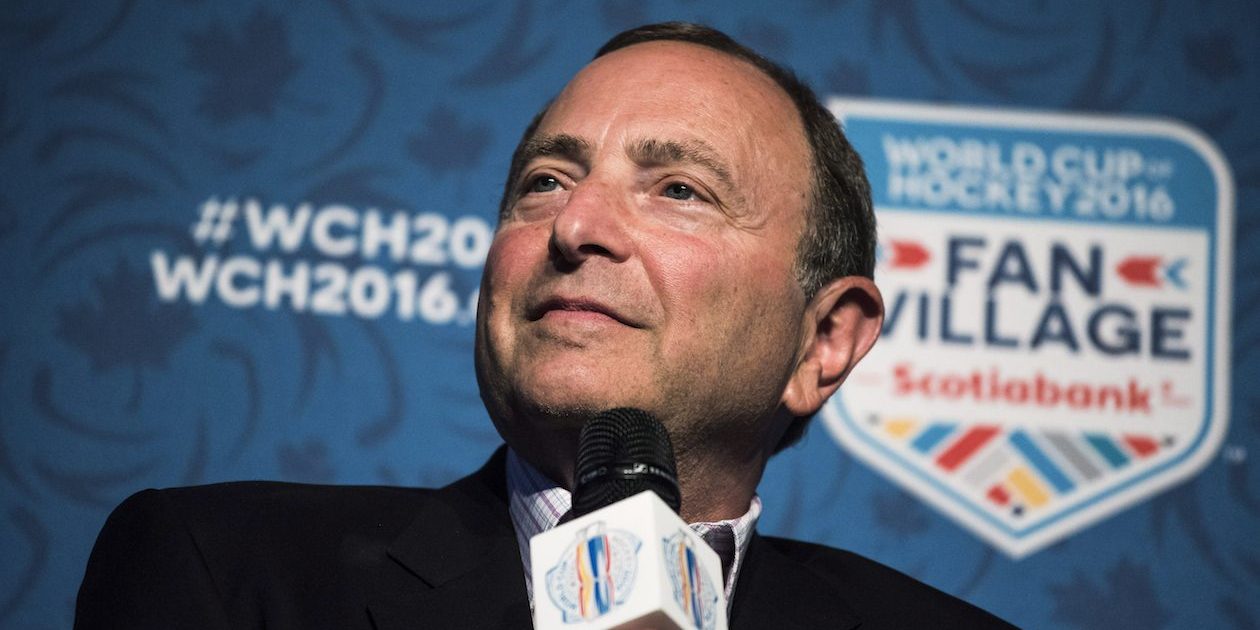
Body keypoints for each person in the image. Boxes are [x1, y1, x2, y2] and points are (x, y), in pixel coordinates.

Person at [76, 22, 1013, 629]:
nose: (574, 227)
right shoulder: (228, 576)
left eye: (679, 190)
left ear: (824, 343)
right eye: (544, 183)